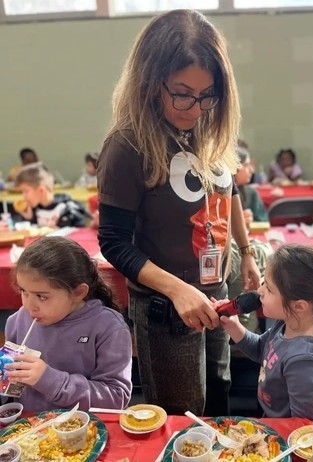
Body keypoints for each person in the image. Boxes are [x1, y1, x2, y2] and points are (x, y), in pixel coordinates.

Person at [97, 9, 260, 416]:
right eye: (182, 93)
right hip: (166, 305)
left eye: (208, 95)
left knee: (219, 396)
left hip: (215, 290)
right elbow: (113, 243)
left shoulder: (208, 128)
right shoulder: (128, 144)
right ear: (152, 83)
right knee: (182, 413)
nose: (196, 107)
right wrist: (175, 288)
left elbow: (229, 190)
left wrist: (248, 251)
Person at [217, 244, 313, 421]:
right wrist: (234, 327)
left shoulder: (306, 362)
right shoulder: (289, 323)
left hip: (286, 436)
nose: (259, 291)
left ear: (299, 305)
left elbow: (303, 427)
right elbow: (263, 350)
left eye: (268, 288)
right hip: (271, 419)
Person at [4, 236, 132, 412]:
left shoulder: (108, 328)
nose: (29, 306)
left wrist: (48, 379)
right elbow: (10, 388)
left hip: (86, 431)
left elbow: (116, 398)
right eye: (23, 292)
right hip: (27, 431)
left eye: (42, 296)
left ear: (78, 292)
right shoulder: (18, 320)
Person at [14, 163, 90, 227]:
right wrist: (29, 219)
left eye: (26, 191)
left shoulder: (68, 209)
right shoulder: (34, 210)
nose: (24, 196)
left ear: (41, 190)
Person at [235, 145, 268, 227]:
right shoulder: (217, 195)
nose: (251, 170)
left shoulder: (251, 193)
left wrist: (251, 221)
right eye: (246, 165)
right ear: (234, 167)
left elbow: (263, 222)